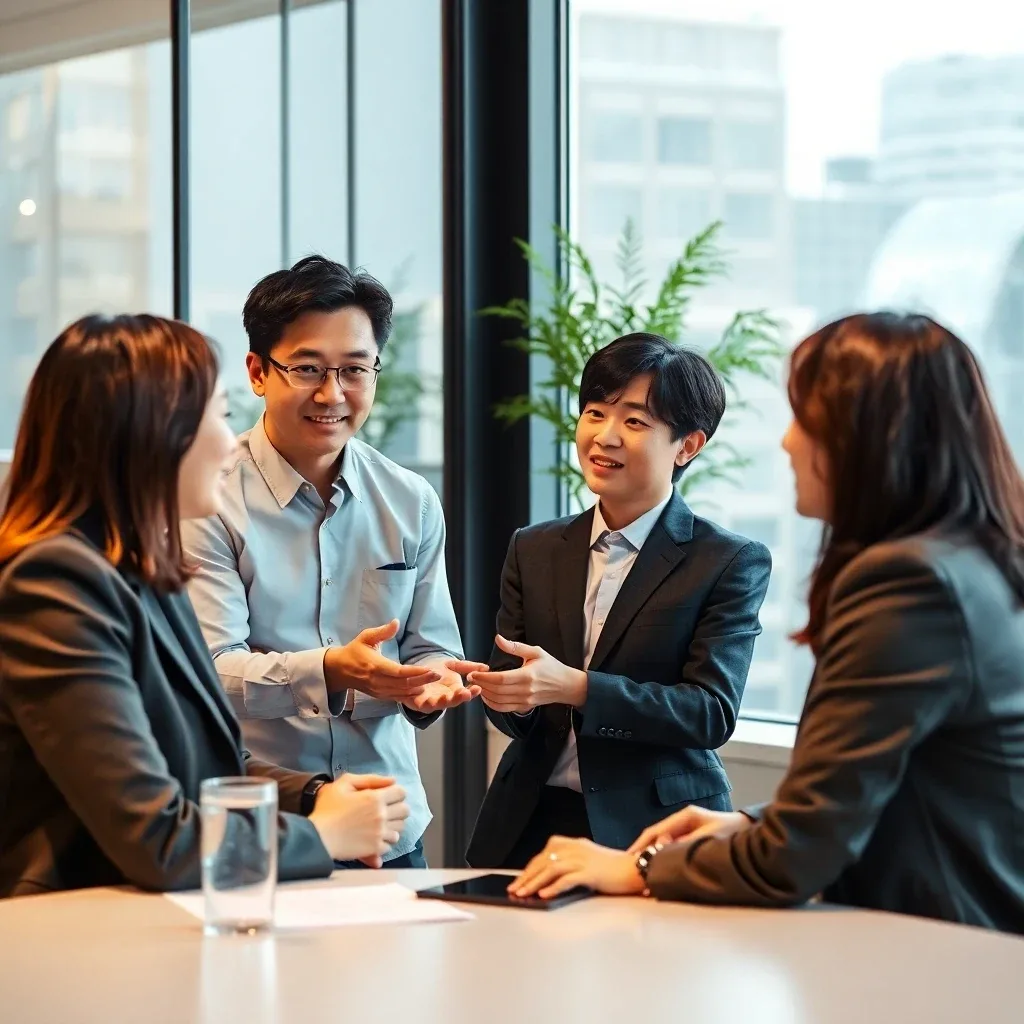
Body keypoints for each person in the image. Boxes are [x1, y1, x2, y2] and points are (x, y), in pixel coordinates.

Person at [510, 312, 1024, 934]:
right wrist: (749, 826)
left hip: (938, 946)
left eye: (806, 418)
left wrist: (641, 866)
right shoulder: (970, 560)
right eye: (596, 411)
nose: (788, 443)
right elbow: (872, 797)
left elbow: (798, 851)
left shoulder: (909, 583)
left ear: (870, 436)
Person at [0, 314, 410, 899]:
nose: (228, 440)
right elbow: (155, 836)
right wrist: (320, 835)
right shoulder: (55, 581)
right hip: (74, 928)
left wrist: (315, 795)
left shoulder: (142, 573)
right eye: (214, 415)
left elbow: (204, 764)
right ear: (145, 433)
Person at [181, 256, 476, 870]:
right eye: (308, 369)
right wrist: (333, 670)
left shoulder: (411, 500)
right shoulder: (206, 496)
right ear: (258, 372)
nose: (332, 394)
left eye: (354, 370)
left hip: (388, 824)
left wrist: (433, 683)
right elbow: (210, 672)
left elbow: (432, 646)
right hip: (263, 824)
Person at [450, 333, 772, 869]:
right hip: (529, 821)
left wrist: (577, 688)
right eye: (595, 412)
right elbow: (518, 705)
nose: (606, 436)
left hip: (654, 827)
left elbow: (710, 713)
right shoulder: (533, 547)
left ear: (688, 445)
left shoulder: (728, 560)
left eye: (636, 421)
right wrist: (508, 695)